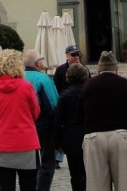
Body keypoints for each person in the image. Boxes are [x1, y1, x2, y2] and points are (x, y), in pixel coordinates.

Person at [79, 51, 127, 191]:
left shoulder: (88, 85)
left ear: (98, 69)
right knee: (125, 184)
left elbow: (80, 114)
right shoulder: (126, 84)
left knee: (96, 185)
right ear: (116, 68)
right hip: (121, 135)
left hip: (94, 137)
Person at [0, 48, 41, 191]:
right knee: (29, 185)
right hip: (26, 142)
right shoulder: (26, 86)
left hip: (2, 142)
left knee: (4, 184)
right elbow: (35, 112)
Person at [23, 50, 59, 191]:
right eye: (42, 58)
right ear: (37, 63)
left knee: (29, 164)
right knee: (47, 162)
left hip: (24, 127)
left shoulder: (19, 77)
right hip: (43, 126)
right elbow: (53, 104)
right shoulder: (43, 79)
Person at [53, 62, 89, 191]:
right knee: (91, 172)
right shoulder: (90, 93)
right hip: (89, 133)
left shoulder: (64, 96)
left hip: (71, 136)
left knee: (76, 173)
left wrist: (57, 143)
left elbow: (57, 121)